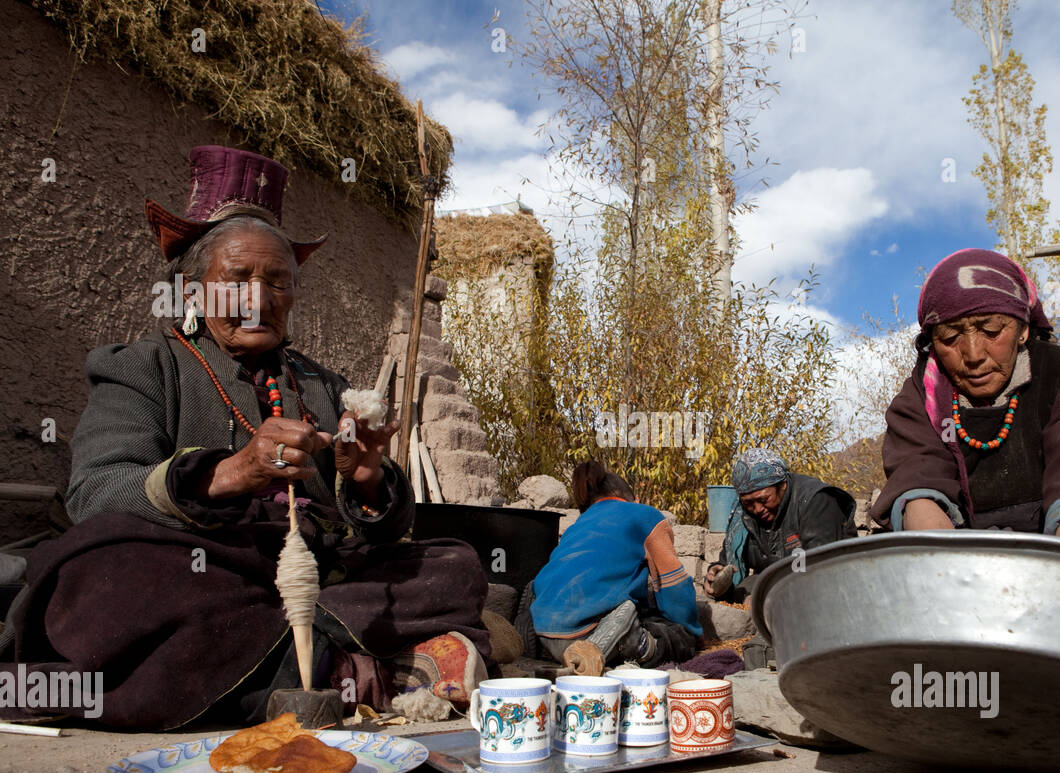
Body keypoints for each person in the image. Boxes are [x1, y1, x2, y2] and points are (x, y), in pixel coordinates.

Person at [0, 146, 490, 729]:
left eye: (278, 283)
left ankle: (295, 668)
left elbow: (370, 529)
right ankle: (348, 668)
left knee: (453, 564)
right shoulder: (142, 368)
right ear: (192, 291)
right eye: (237, 280)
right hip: (204, 573)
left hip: (319, 580)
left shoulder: (320, 385)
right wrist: (232, 473)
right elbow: (95, 491)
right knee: (101, 575)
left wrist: (367, 482)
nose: (259, 299)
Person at [870, 248, 1060, 546]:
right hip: (962, 566)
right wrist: (946, 567)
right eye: (950, 338)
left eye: (991, 330)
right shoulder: (920, 397)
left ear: (1022, 329)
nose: (973, 354)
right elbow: (919, 487)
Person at [514, 461, 701, 671]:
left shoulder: (578, 526)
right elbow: (674, 587)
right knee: (676, 636)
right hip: (596, 635)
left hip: (543, 632)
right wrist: (689, 630)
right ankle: (600, 654)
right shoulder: (644, 515)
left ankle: (539, 647)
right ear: (635, 500)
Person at [704, 449, 857, 603]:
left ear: (783, 485)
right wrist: (716, 576)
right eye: (748, 503)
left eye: (764, 499)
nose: (757, 509)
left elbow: (821, 571)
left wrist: (767, 599)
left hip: (832, 593)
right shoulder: (742, 515)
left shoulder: (815, 501)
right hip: (779, 588)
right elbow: (728, 562)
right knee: (747, 587)